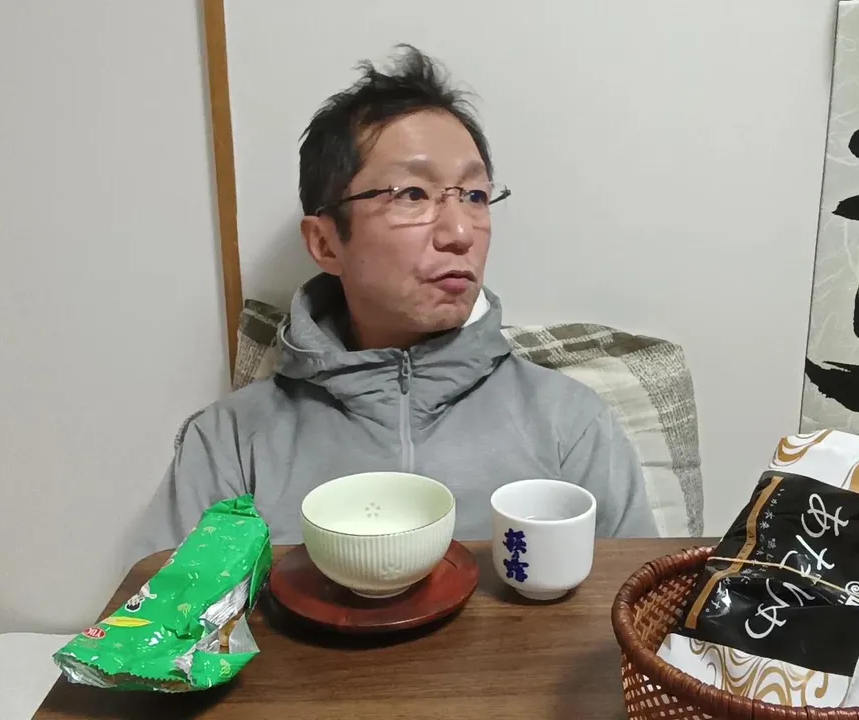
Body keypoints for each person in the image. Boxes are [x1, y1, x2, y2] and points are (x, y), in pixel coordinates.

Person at [131, 45, 656, 560]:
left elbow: (642, 603)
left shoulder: (570, 423)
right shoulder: (230, 443)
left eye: (474, 196)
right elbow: (160, 611)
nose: (459, 233)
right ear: (325, 243)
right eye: (412, 194)